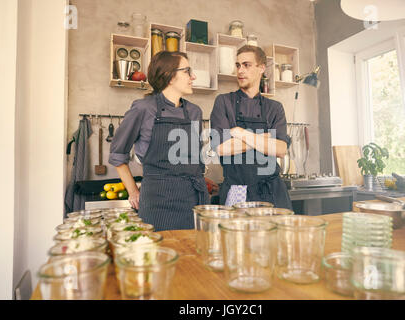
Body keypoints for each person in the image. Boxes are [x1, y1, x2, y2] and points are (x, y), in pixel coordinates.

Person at [109, 51, 210, 231]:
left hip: (193, 200)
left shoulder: (195, 112)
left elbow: (195, 157)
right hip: (157, 201)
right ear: (169, 76)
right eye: (187, 71)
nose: (193, 76)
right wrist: (133, 191)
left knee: (192, 254)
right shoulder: (143, 108)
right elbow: (118, 154)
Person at [210, 45, 292, 209]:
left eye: (246, 65)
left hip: (272, 191)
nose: (240, 70)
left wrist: (240, 133)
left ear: (261, 68)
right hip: (237, 190)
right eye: (238, 65)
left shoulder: (275, 107)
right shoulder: (224, 102)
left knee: (275, 235)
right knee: (236, 235)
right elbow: (222, 148)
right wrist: (265, 140)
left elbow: (281, 149)